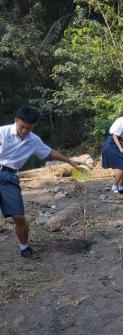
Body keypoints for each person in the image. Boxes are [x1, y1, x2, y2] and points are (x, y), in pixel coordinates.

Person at [0, 106, 81, 260]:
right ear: (16, 121)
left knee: (19, 217)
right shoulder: (2, 132)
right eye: (22, 127)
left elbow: (50, 152)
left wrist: (70, 161)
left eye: (28, 129)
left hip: (9, 177)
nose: (24, 131)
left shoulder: (34, 140)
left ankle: (24, 248)